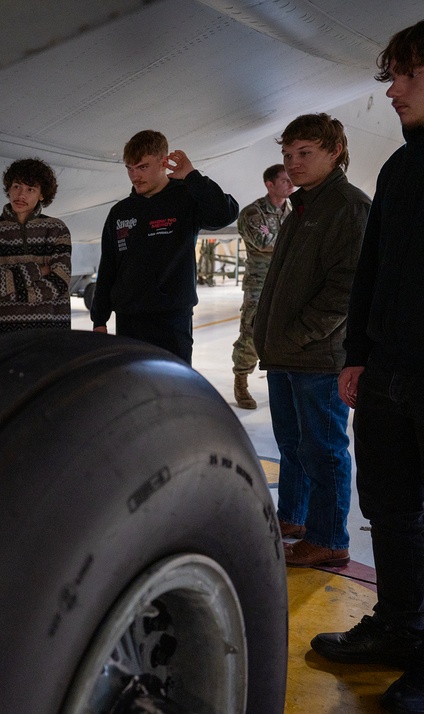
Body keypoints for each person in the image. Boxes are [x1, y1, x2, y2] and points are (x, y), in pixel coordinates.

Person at [309, 21, 424, 714]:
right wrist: (355, 356)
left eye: (407, 73)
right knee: (390, 510)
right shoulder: (401, 168)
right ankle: (401, 627)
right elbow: (372, 270)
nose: (392, 90)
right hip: (387, 374)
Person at [252, 113, 371, 567]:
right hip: (285, 352)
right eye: (287, 155)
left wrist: (300, 334)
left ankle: (329, 538)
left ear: (334, 152)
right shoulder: (303, 205)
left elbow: (347, 287)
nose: (293, 164)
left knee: (323, 450)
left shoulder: (347, 207)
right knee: (293, 444)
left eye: (305, 154)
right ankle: (295, 518)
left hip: (316, 355)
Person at [90, 130, 239, 364]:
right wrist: (99, 320)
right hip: (130, 319)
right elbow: (108, 266)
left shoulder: (186, 199)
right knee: (136, 388)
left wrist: (192, 177)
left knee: (174, 389)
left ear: (163, 163)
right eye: (129, 168)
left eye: (142, 167)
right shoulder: (121, 212)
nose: (134, 176)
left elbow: (224, 214)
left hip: (172, 318)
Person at [0, 158, 71, 335]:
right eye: (17, 186)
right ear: (9, 188)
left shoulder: (57, 230)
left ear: (42, 194)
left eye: (30, 189)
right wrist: (40, 271)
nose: (21, 195)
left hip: (51, 336)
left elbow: (60, 282)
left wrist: (3, 287)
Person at [231, 164, 294, 409]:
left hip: (285, 284)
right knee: (252, 333)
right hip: (260, 284)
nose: (291, 184)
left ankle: (282, 382)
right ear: (270, 184)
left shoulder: (291, 212)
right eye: (285, 181)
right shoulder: (252, 213)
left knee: (284, 334)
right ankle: (241, 380)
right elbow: (264, 242)